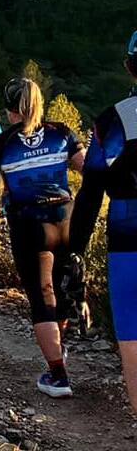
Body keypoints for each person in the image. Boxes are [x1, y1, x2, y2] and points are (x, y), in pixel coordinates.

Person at [0, 78, 84, 398]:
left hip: (28, 222)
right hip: (65, 218)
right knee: (61, 291)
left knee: (41, 297)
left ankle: (58, 375)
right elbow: (88, 170)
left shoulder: (1, 143)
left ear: (10, 108)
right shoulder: (62, 133)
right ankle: (59, 350)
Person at [66, 30, 137, 419]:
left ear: (129, 65)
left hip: (127, 231)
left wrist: (74, 247)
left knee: (131, 328)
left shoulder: (112, 120)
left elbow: (92, 190)